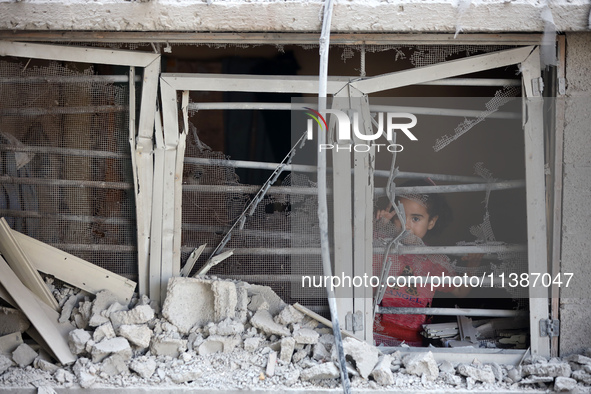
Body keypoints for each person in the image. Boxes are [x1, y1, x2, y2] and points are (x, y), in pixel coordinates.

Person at [373, 178, 475, 346]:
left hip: (413, 343)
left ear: (432, 222)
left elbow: (460, 291)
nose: (406, 225)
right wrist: (378, 226)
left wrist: (473, 265)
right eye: (400, 216)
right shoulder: (380, 246)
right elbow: (351, 246)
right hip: (373, 336)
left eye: (416, 219)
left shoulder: (435, 259)